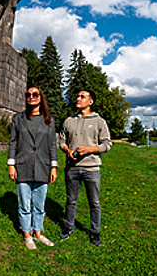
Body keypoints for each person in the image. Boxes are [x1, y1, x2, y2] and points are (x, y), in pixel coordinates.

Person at [59, 90, 112, 246]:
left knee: (94, 203)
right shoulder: (68, 121)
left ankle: (95, 232)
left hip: (92, 169)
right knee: (71, 201)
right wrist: (67, 151)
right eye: (78, 96)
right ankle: (68, 228)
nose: (78, 98)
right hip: (72, 168)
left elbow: (107, 145)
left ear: (90, 102)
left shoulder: (99, 121)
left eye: (82, 97)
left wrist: (89, 150)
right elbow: (62, 142)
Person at [8, 86, 58, 250]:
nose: (31, 97)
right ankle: (27, 235)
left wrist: (53, 167)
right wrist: (11, 164)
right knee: (24, 204)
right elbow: (13, 142)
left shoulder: (48, 120)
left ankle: (38, 233)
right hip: (22, 165)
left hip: (43, 166)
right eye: (28, 94)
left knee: (39, 204)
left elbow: (52, 145)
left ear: (40, 97)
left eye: (35, 94)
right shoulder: (18, 118)